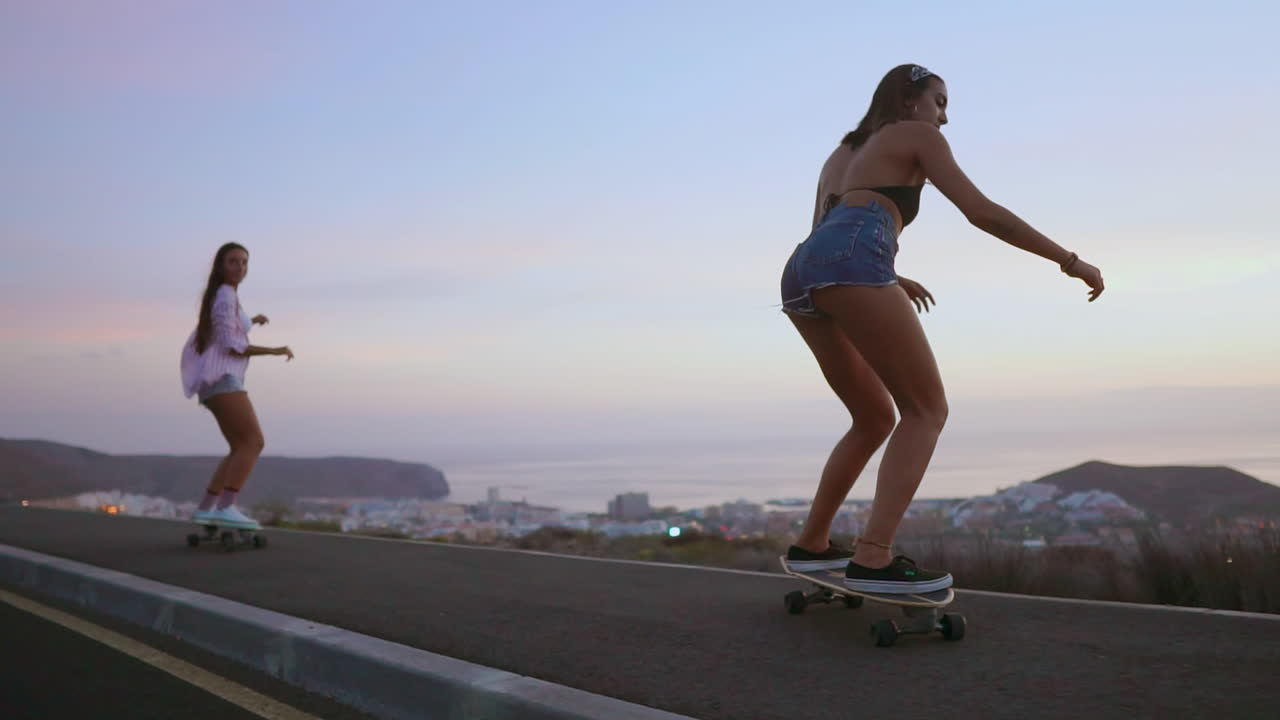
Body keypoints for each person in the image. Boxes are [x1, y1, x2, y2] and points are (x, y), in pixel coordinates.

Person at [778, 64, 1104, 593]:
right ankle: (873, 557)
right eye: (940, 102)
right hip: (856, 256)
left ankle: (812, 544)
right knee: (926, 410)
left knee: (873, 417)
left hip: (803, 268)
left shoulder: (842, 153)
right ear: (910, 100)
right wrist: (1069, 261)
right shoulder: (916, 134)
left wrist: (886, 273)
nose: (944, 118)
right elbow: (982, 212)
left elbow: (826, 233)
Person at [180, 243, 294, 529]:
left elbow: (229, 326)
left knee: (238, 447)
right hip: (222, 378)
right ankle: (226, 507)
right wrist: (273, 350)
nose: (240, 267)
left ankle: (206, 508)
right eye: (233, 261)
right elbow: (231, 344)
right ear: (221, 265)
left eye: (244, 262)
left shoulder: (225, 295)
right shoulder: (225, 296)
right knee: (253, 442)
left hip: (215, 380)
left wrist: (252, 320)